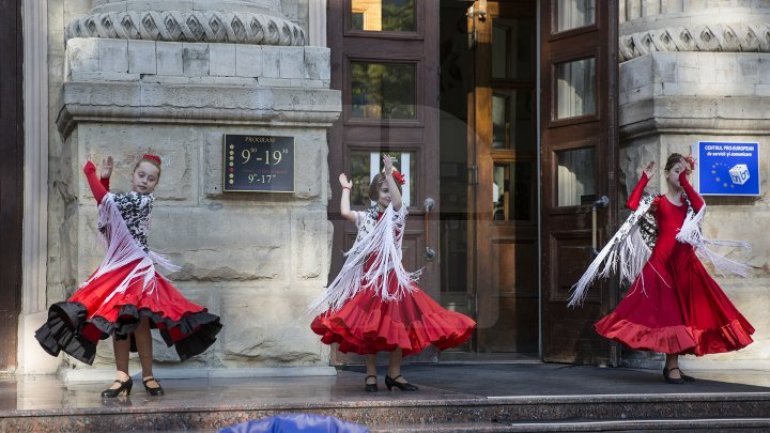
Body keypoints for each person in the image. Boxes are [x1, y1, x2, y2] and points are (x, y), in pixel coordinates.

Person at [36, 155, 222, 397]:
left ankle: (148, 375)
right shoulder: (128, 199)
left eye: (151, 179)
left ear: (155, 184)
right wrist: (105, 177)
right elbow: (107, 206)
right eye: (141, 175)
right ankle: (122, 377)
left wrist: (91, 173)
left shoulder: (141, 201)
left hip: (137, 271)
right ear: (133, 175)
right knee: (120, 323)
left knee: (140, 322)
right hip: (119, 269)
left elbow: (104, 199)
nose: (145, 181)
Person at [570, 153, 754, 384]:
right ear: (667, 174)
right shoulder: (659, 202)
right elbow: (632, 205)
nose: (682, 175)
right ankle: (672, 367)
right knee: (670, 316)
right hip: (662, 266)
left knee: (691, 315)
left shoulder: (690, 204)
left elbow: (700, 207)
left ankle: (672, 365)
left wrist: (685, 181)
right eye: (677, 170)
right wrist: (644, 179)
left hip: (686, 266)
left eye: (686, 171)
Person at [311, 155, 476, 392]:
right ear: (375, 192)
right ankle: (370, 375)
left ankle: (394, 374)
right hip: (370, 279)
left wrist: (390, 174)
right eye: (385, 190)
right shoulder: (366, 217)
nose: (389, 194)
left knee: (400, 325)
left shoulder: (398, 215)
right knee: (370, 328)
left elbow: (398, 202)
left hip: (392, 280)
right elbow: (346, 212)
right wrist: (346, 189)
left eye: (392, 190)